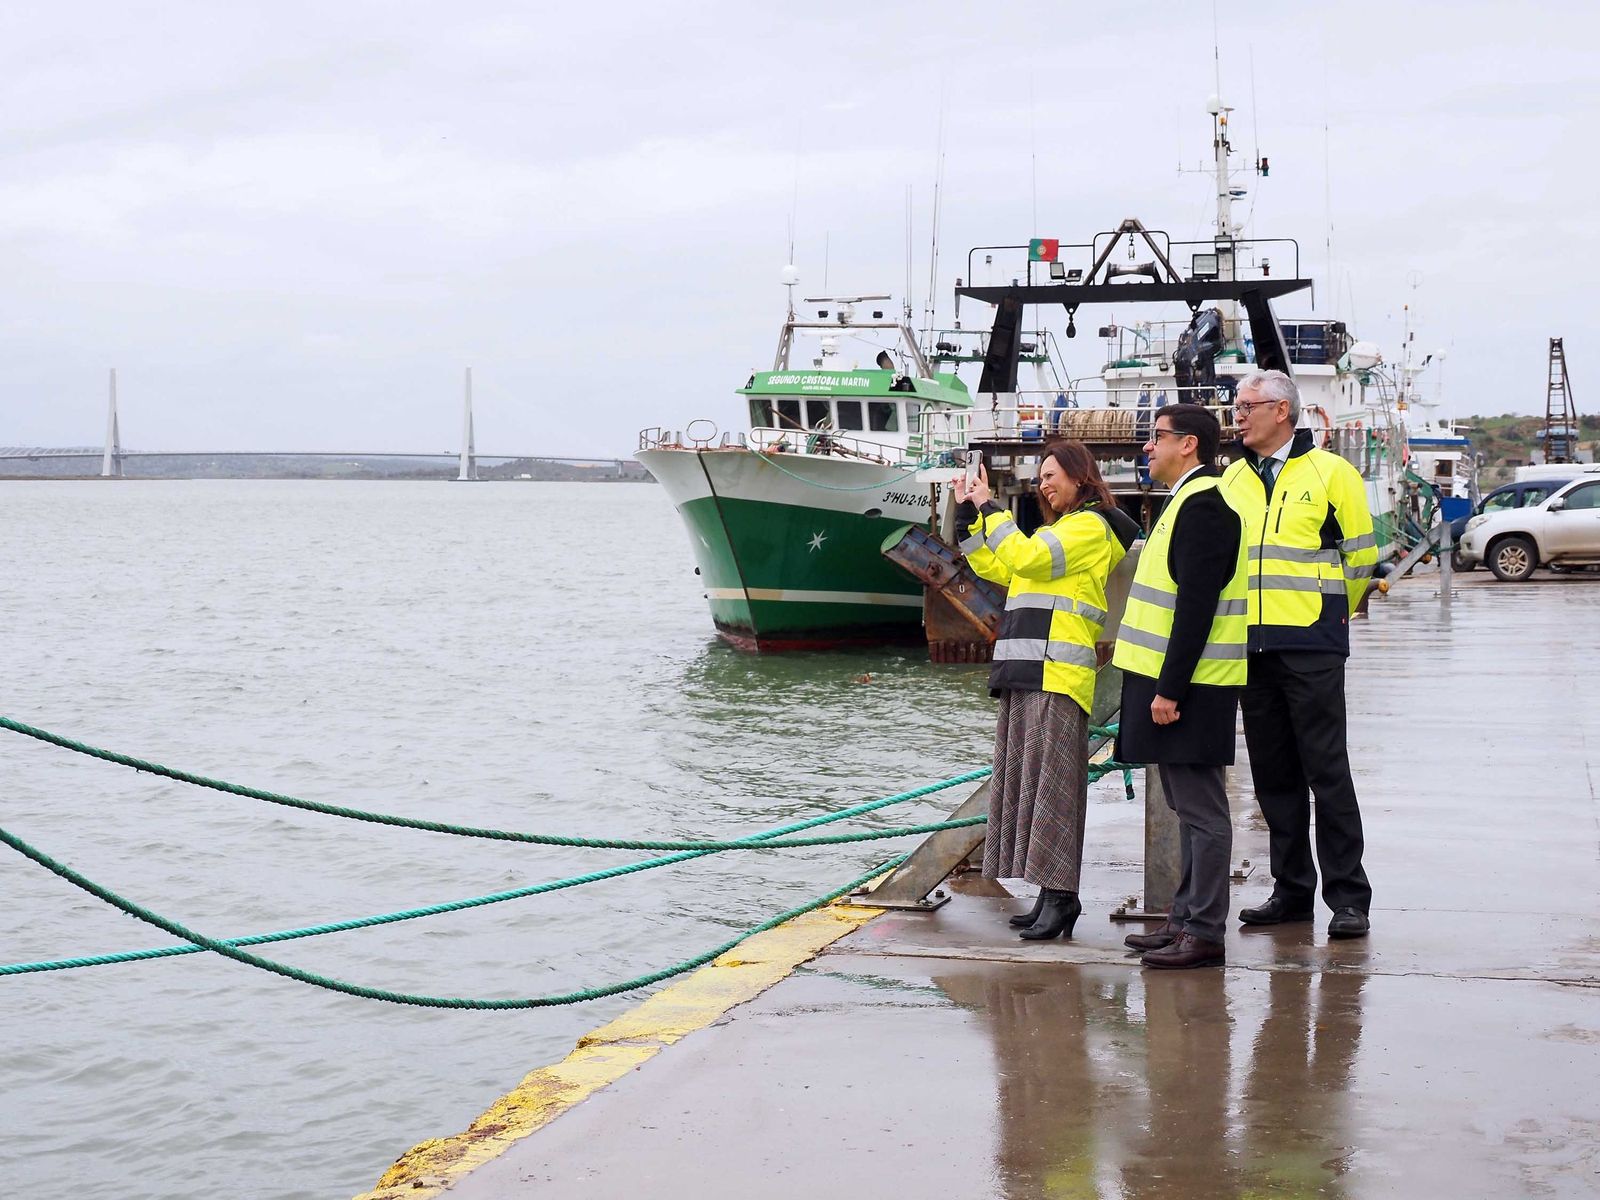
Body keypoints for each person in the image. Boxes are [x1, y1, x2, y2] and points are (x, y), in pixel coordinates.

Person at [953, 440, 1139, 940]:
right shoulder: (1062, 529)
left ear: (1081, 477)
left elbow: (1028, 558)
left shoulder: (1090, 527)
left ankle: (1062, 898)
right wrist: (969, 520)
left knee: (1053, 791)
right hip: (1029, 672)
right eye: (1040, 476)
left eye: (1052, 474)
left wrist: (991, 506)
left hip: (1056, 675)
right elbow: (1002, 567)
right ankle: (1049, 894)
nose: (1044, 483)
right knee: (1031, 786)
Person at [1221, 370, 1378, 939]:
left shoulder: (1332, 473)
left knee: (1327, 771)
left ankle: (1349, 897)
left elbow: (1360, 558)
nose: (1238, 414)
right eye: (1237, 405)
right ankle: (1290, 891)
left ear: (1282, 411)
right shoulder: (1232, 479)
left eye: (1247, 405)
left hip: (1311, 644)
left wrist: (1326, 615)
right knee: (1273, 777)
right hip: (1250, 646)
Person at [1112, 404, 1249, 969]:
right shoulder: (1186, 503)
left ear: (1188, 444)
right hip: (1172, 683)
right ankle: (1184, 919)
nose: (1148, 447)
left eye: (1157, 437)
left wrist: (1170, 690)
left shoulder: (1208, 509)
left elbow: (1196, 608)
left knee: (1203, 812)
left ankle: (1205, 933)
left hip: (1191, 687)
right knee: (1185, 807)